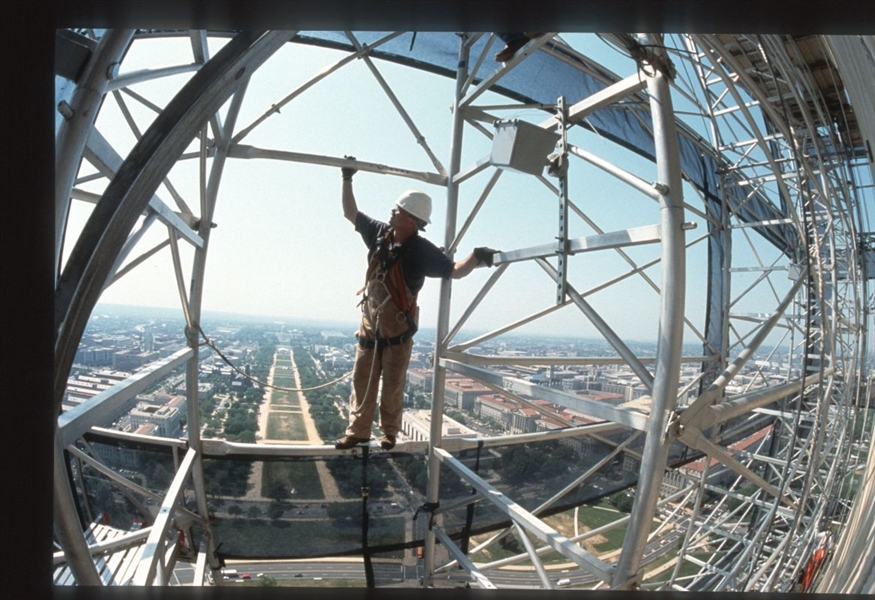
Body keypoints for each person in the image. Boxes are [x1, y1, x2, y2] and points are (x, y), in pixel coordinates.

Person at [334, 157, 497, 450]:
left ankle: (390, 432)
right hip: (371, 329)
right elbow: (351, 213)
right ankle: (357, 431)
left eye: (397, 210)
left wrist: (476, 257)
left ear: (410, 219)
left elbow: (453, 271)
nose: (391, 211)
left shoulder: (422, 250)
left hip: (397, 333)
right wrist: (347, 178)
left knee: (393, 386)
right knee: (362, 383)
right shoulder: (380, 234)